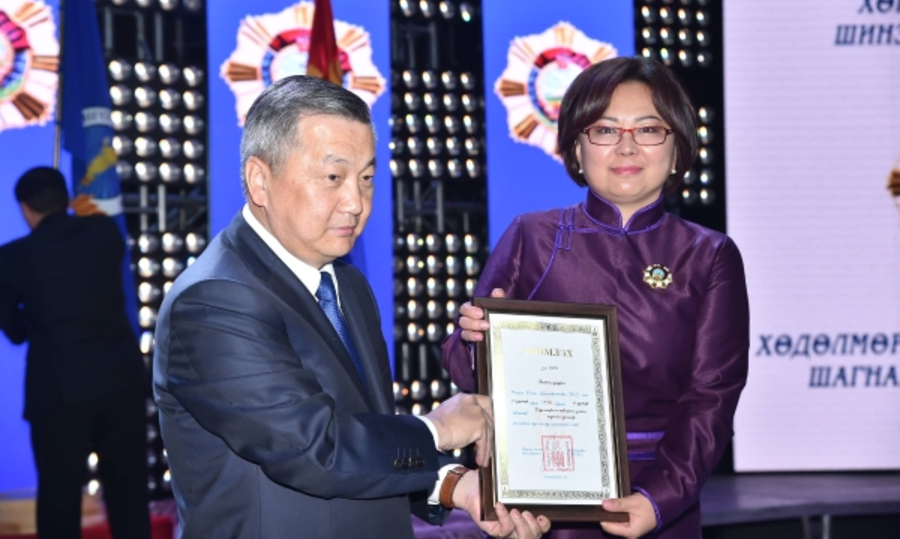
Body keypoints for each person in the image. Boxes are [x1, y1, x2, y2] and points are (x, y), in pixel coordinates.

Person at [153, 76, 551, 539]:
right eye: (333, 178)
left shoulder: (347, 284)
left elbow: (366, 436)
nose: (356, 203)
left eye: (366, 178)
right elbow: (315, 449)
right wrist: (437, 429)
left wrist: (453, 485)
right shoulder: (214, 300)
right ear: (260, 181)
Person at [442, 57, 750, 539]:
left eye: (648, 129)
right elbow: (468, 376)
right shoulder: (532, 237)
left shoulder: (709, 255)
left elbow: (712, 395)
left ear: (678, 148)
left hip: (658, 498)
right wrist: (473, 340)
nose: (627, 146)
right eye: (605, 130)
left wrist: (660, 498)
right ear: (577, 149)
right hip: (540, 499)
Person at [0, 166, 150, 539]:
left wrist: (36, 317)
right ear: (67, 198)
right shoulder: (105, 233)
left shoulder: (12, 258)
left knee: (59, 498)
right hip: (121, 382)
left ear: (24, 207)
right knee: (129, 495)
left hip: (58, 391)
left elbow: (15, 332)